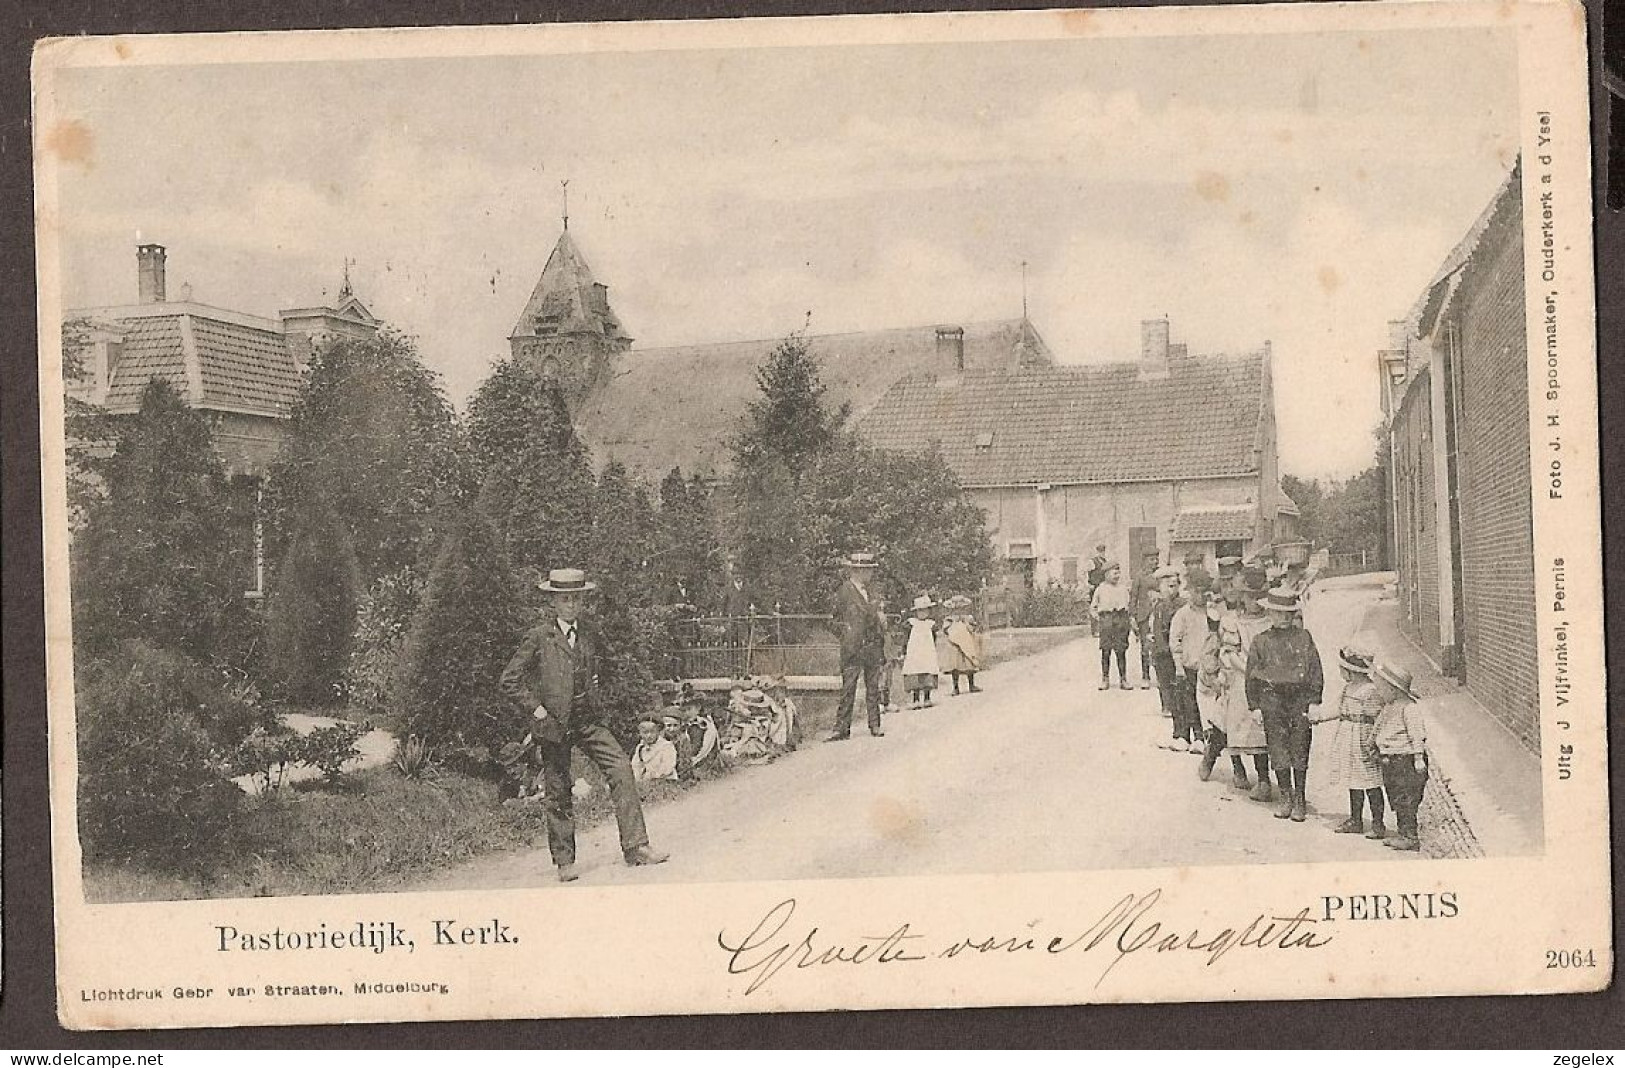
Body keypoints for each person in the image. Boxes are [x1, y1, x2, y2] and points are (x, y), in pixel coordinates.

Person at [500, 567, 670, 882]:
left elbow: (608, 667)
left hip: (588, 720)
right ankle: (565, 861)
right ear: (553, 602)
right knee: (558, 788)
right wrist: (536, 709)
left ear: (582, 600)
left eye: (576, 598)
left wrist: (596, 692)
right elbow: (510, 680)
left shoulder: (590, 633)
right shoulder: (540, 637)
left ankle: (637, 847)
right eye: (564, 599)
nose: (571, 605)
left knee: (621, 769)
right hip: (553, 723)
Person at [1244, 587, 1325, 822]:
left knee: (1300, 748)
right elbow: (1251, 676)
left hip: (1299, 700)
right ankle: (1285, 796)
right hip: (1272, 701)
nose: (1283, 618)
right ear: (1270, 613)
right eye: (1278, 613)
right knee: (1278, 749)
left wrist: (1314, 701)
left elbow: (1315, 671)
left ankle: (1300, 797)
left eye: (1288, 613)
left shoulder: (1304, 637)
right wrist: (1255, 706)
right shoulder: (1261, 641)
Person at [1312, 643, 1387, 839]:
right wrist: (1319, 717)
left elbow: (1379, 717)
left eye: (1342, 669)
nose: (1340, 672)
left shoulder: (1371, 690)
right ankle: (1356, 819)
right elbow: (1338, 709)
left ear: (1352, 671)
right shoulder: (1348, 688)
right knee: (1353, 779)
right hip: (1348, 738)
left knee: (1370, 781)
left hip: (1363, 738)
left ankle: (1378, 824)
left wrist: (1374, 740)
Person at [1214, 569, 1274, 800]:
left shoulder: (1269, 621)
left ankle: (1263, 779)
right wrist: (1249, 670)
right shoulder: (1233, 622)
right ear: (1242, 597)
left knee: (1262, 731)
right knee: (1237, 725)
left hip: (1267, 679)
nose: (1255, 602)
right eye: (1250, 597)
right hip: (1243, 678)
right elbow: (1229, 653)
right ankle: (1238, 769)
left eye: (1260, 596)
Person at [1370, 660, 1429, 851]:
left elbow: (1417, 733)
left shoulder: (1408, 708)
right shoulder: (1389, 707)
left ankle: (1410, 836)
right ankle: (1403, 833)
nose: (1379, 692)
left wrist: (1418, 758)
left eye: (1382, 689)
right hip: (1390, 760)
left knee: (1406, 798)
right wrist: (1372, 742)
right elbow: (1378, 727)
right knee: (1395, 797)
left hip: (1406, 760)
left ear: (1394, 689)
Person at [1194, 591, 1252, 786]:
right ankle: (1226, 763)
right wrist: (1215, 676)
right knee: (1223, 724)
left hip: (1246, 674)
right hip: (1225, 675)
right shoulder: (1217, 612)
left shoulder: (1252, 612)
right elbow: (1211, 650)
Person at [829, 551, 887, 740]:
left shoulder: (872, 592)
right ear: (857, 571)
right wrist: (846, 634)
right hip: (853, 647)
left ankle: (875, 724)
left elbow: (878, 616)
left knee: (873, 688)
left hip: (872, 646)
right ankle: (842, 728)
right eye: (867, 570)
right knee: (848, 688)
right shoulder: (844, 591)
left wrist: (880, 620)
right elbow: (833, 619)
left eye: (871, 570)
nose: (870, 574)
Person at [1168, 581, 1211, 754]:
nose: (1200, 596)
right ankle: (1186, 737)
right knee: (1187, 702)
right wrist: (1178, 666)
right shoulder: (1182, 614)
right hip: (1189, 666)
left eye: (1203, 592)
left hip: (1208, 668)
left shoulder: (1212, 613)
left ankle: (1203, 737)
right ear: (1190, 592)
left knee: (1206, 704)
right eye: (1196, 592)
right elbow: (1175, 641)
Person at [1147, 564, 1185, 740]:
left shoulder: (1181, 605)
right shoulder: (1158, 606)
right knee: (1163, 680)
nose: (1171, 590)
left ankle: (1178, 712)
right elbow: (1154, 626)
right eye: (1167, 586)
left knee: (1177, 684)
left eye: (1174, 585)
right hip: (1161, 650)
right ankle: (1166, 704)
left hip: (1175, 650)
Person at [1089, 562, 1133, 690]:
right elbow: (1093, 607)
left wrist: (1126, 620)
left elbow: (1128, 605)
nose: (1117, 576)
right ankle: (1105, 679)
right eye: (1114, 573)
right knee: (1106, 651)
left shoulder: (1123, 588)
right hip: (1107, 621)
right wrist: (1100, 619)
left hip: (1120, 620)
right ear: (1106, 574)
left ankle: (1123, 679)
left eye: (1118, 573)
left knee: (1121, 651)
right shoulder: (1101, 589)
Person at [901, 594, 942, 709]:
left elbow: (934, 637)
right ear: (915, 612)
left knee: (927, 672)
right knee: (915, 673)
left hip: (927, 651)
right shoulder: (911, 623)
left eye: (925, 610)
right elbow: (906, 638)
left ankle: (927, 698)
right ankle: (916, 698)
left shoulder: (930, 624)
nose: (923, 613)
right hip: (915, 652)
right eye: (920, 611)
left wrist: (933, 648)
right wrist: (904, 650)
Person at [1128, 550, 1161, 689]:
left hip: (1159, 614)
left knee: (1160, 646)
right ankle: (1145, 676)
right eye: (1151, 559)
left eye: (1156, 559)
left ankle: (1161, 676)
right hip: (1144, 616)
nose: (1154, 562)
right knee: (1145, 647)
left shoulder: (1161, 574)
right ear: (1145, 561)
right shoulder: (1139, 577)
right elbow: (1133, 597)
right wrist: (1132, 616)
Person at [939, 595, 984, 695]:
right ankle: (955, 687)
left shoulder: (967, 618)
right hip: (954, 644)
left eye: (961, 608)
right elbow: (945, 630)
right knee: (955, 665)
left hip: (966, 643)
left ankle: (971, 684)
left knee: (969, 662)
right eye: (956, 609)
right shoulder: (949, 619)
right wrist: (952, 629)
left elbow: (973, 628)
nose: (958, 610)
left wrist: (968, 625)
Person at [631, 717, 679, 783]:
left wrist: (650, 776)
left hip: (665, 781)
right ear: (640, 733)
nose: (649, 736)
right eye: (645, 733)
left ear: (658, 732)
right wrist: (638, 779)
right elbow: (635, 765)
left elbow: (667, 768)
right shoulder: (640, 747)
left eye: (652, 732)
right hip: (645, 782)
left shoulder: (667, 746)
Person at [661, 713, 698, 784]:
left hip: (680, 772)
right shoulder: (660, 740)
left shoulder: (683, 739)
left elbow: (686, 760)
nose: (672, 729)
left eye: (675, 725)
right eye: (668, 725)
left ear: (680, 726)